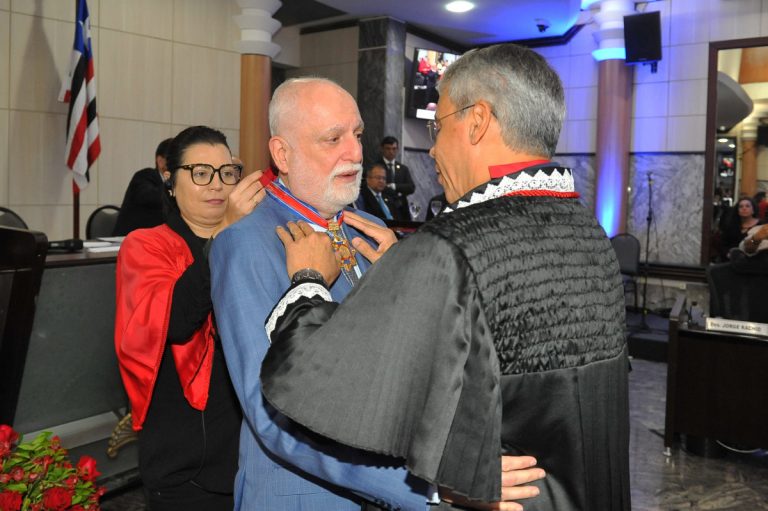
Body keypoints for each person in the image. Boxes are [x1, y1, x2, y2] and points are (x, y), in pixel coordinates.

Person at [261, 44, 631, 510]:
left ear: (476, 122)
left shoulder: (453, 246)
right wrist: (407, 271)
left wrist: (309, 279)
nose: (432, 149)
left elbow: (314, 377)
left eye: (438, 126)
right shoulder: (587, 230)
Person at [210, 77, 543, 511]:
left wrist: (402, 278)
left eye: (358, 134)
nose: (354, 153)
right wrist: (433, 481)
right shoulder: (247, 241)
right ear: (282, 154)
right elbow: (276, 414)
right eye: (333, 138)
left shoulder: (363, 226)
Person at [114, 126, 265, 510]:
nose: (217, 185)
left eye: (227, 173)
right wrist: (226, 234)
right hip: (185, 460)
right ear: (170, 182)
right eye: (201, 173)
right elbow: (178, 320)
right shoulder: (146, 245)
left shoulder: (254, 241)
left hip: (252, 451)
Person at [113, 138, 173, 236]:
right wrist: (172, 184)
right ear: (161, 161)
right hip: (129, 241)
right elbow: (149, 197)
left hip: (158, 241)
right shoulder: (144, 176)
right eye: (176, 160)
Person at [377, 136, 415, 221]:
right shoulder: (376, 167)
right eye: (388, 148)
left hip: (401, 208)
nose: (391, 152)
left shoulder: (402, 168)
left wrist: (395, 186)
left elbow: (411, 187)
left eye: (394, 149)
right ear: (382, 149)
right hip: (384, 206)